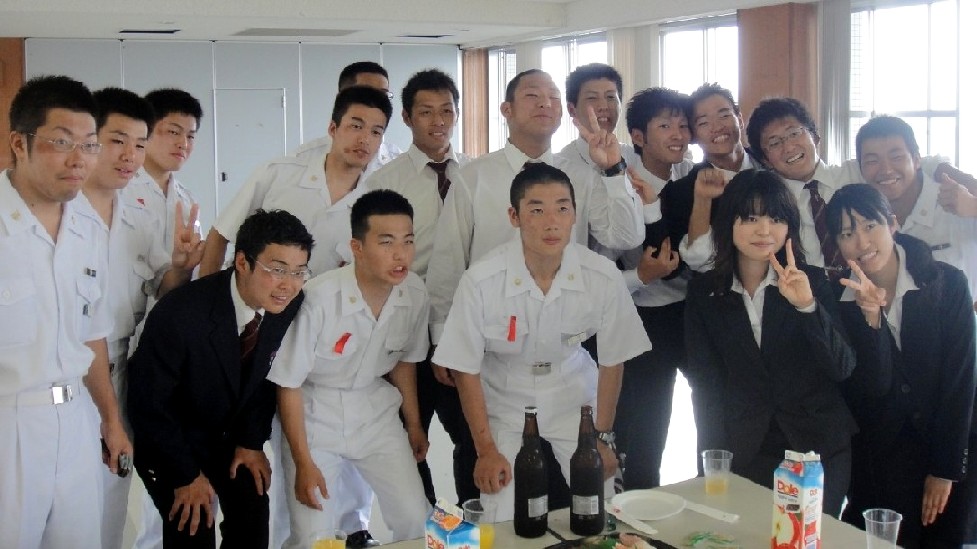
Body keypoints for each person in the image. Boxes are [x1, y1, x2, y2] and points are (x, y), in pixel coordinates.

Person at [199, 84, 392, 549]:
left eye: (376, 131)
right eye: (355, 126)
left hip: (329, 343)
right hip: (260, 331)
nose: (364, 139)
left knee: (325, 451)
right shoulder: (279, 174)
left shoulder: (379, 193)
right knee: (254, 447)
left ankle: (348, 532)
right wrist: (210, 311)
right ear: (332, 127)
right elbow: (221, 235)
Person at [432, 163, 652, 520]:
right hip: (505, 394)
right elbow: (465, 368)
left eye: (562, 209)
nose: (552, 223)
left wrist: (603, 437)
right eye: (536, 210)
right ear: (514, 216)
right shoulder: (482, 280)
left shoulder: (601, 275)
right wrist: (485, 449)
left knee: (602, 499)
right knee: (501, 509)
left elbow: (613, 359)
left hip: (573, 393)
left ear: (574, 215)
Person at [128, 209, 313, 548]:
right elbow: (148, 405)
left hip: (226, 435)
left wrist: (251, 442)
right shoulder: (182, 314)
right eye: (277, 270)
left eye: (299, 271)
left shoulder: (286, 302)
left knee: (252, 512)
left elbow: (263, 378)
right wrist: (185, 476)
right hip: (170, 436)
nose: (288, 284)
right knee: (193, 521)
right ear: (242, 262)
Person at [683, 169, 857, 515]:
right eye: (750, 218)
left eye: (776, 219)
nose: (764, 230)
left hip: (816, 447)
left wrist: (807, 307)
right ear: (728, 223)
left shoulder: (812, 281)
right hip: (745, 445)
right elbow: (705, 385)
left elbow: (842, 367)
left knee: (804, 537)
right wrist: (711, 463)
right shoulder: (705, 293)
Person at [0, 75, 127, 548]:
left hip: (76, 421)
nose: (80, 160)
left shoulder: (87, 230)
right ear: (20, 143)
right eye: (62, 142)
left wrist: (110, 420)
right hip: (9, 422)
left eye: (90, 145)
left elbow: (91, 334)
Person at [76, 86, 204, 549]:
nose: (130, 155)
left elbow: (160, 289)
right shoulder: (62, 209)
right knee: (63, 505)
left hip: (119, 364)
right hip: (66, 369)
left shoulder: (136, 212)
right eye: (117, 141)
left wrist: (181, 267)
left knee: (111, 498)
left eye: (138, 143)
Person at [270, 190, 431, 547]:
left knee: (415, 517)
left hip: (376, 411)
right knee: (314, 537)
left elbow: (404, 363)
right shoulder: (318, 298)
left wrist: (414, 424)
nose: (400, 254)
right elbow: (289, 384)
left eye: (407, 241)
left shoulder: (414, 293)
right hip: (314, 413)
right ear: (356, 247)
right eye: (386, 242)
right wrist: (303, 461)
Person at [826, 184, 977, 547]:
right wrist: (871, 322)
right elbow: (867, 390)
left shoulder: (947, 283)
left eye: (870, 226)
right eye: (847, 234)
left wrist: (944, 470)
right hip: (880, 462)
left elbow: (961, 382)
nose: (861, 242)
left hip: (947, 449)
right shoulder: (836, 301)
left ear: (892, 224)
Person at [365, 68, 478, 506]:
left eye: (447, 111)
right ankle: (423, 523)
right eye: (426, 112)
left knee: (471, 433)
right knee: (406, 438)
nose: (439, 121)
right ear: (408, 118)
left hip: (461, 326)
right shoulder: (384, 182)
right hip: (403, 329)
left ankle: (473, 522)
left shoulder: (476, 175)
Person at [597, 87, 690, 490]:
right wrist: (641, 275)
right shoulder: (623, 187)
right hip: (643, 316)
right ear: (638, 137)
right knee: (646, 423)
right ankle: (633, 498)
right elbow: (601, 269)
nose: (678, 134)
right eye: (665, 125)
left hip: (688, 312)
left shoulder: (690, 176)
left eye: (683, 125)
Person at [854, 115, 977, 304]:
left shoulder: (955, 200)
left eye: (896, 157)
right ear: (860, 168)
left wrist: (973, 207)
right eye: (872, 161)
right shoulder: (861, 217)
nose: (886, 169)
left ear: (917, 159)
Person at [121, 88, 202, 253]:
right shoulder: (120, 188)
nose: (183, 144)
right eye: (174, 132)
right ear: (145, 130)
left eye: (190, 136)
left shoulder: (187, 199)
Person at [294, 61, 402, 178]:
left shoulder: (398, 163)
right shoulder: (302, 161)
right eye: (365, 94)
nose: (376, 102)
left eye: (383, 95)